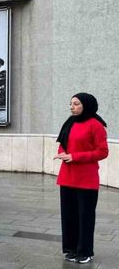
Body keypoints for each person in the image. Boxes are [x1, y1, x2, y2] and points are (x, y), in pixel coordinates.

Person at [54, 93, 108, 264]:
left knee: (85, 217)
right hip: (67, 177)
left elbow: (102, 151)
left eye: (76, 104)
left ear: (86, 105)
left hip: (86, 178)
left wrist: (75, 157)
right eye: (70, 104)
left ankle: (85, 251)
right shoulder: (69, 123)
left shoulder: (96, 125)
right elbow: (62, 145)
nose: (72, 107)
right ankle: (70, 249)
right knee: (68, 216)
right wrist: (62, 154)